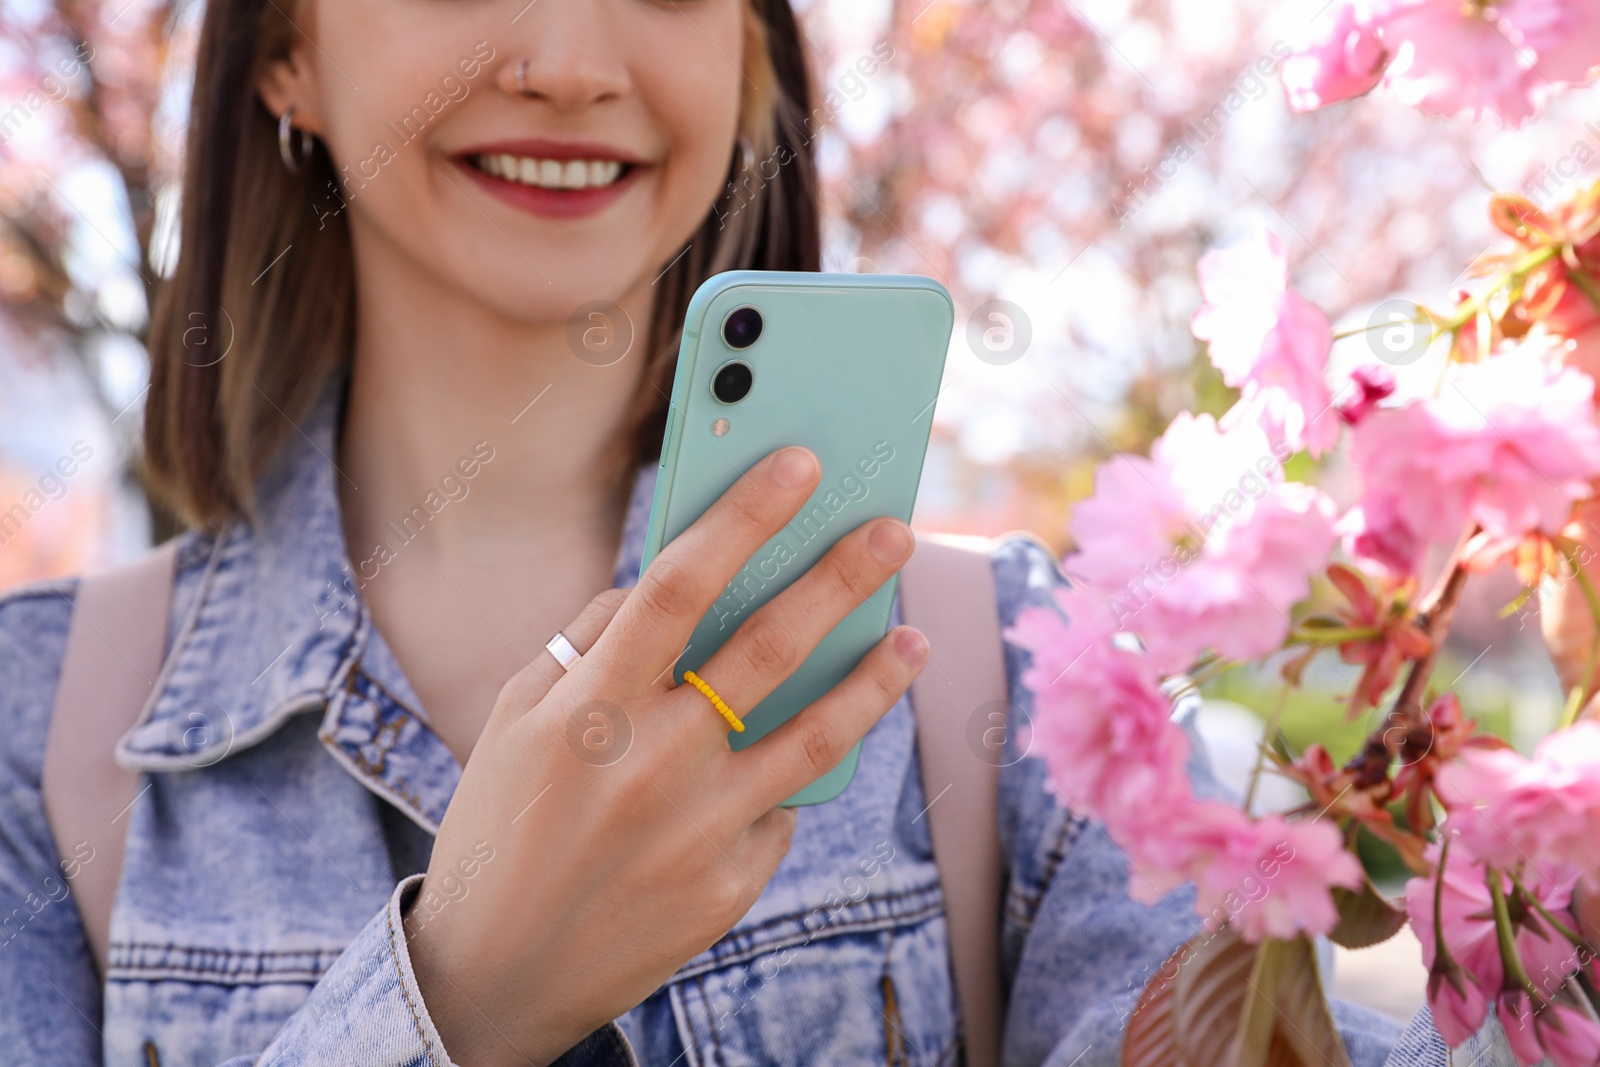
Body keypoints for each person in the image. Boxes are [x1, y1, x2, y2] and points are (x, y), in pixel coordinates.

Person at [0, 1, 1421, 1064]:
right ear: (285, 53)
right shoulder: (36, 739)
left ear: (754, 62)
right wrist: (457, 992)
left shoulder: (1010, 674)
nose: (568, 60)